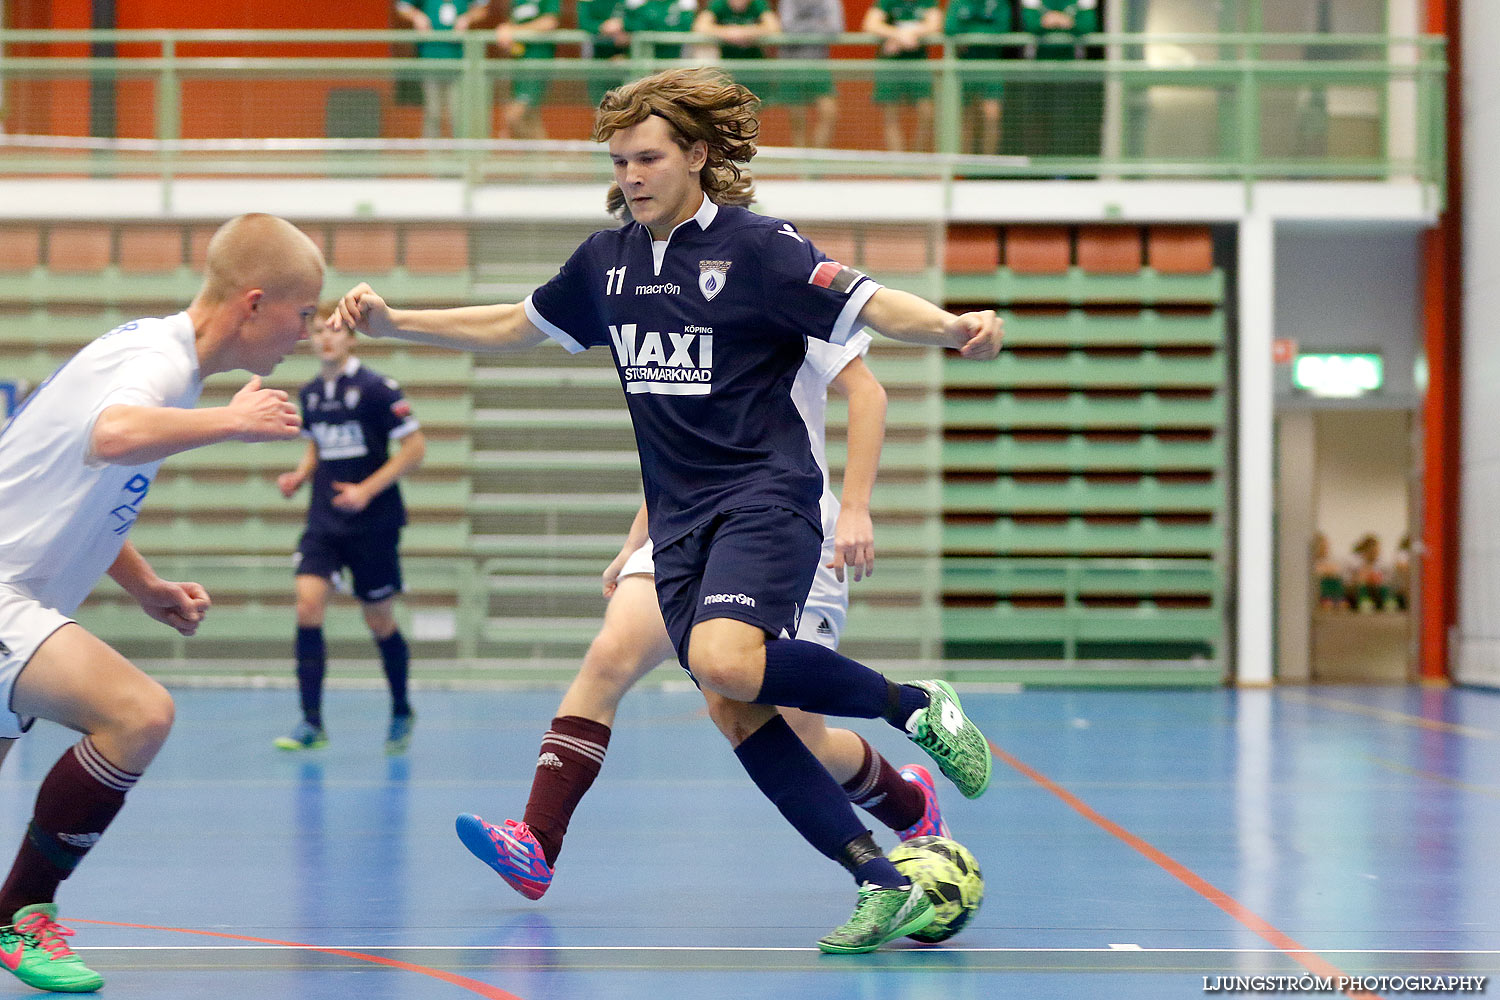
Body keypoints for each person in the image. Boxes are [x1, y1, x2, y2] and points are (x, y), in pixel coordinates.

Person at [335, 66, 1003, 955]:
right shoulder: (606, 265)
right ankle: (877, 880)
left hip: (765, 496)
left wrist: (956, 327)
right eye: (618, 161)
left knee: (727, 660)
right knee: (735, 708)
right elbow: (511, 323)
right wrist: (395, 322)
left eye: (647, 157)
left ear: (696, 154)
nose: (631, 176)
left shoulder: (762, 249)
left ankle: (916, 704)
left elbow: (871, 302)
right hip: (678, 518)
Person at [457, 310, 951, 900]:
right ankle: (537, 842)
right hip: (687, 528)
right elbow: (683, 449)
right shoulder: (672, 305)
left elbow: (867, 392)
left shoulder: (786, 284)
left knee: (798, 734)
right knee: (611, 654)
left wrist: (855, 507)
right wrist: (634, 542)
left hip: (781, 525)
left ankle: (910, 802)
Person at [0, 213, 322, 992]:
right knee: (138, 714)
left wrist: (146, 586)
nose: (307, 333)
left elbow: (84, 488)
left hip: (22, 599)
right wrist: (232, 423)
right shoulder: (154, 359)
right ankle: (22, 913)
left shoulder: (159, 361)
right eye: (302, 313)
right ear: (252, 305)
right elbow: (114, 435)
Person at [274, 305, 427, 755]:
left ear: (351, 339)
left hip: (373, 523)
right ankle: (311, 721)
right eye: (318, 331)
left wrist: (366, 490)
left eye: (334, 331)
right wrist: (301, 475)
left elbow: (414, 449)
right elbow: (317, 448)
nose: (325, 338)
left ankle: (401, 708)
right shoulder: (311, 394)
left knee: (378, 619)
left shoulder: (377, 389)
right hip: (324, 521)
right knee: (307, 606)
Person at [394, 0, 492, 139]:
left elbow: (482, 9)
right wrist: (417, 16)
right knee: (433, 112)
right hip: (430, 60)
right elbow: (402, 6)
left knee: (458, 113)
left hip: (459, 62)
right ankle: (433, 156)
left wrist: (466, 18)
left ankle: (461, 155)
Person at [862, 0, 942, 152]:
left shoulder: (928, 2)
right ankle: (900, 165)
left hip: (918, 63)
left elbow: (935, 24)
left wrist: (912, 33)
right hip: (890, 63)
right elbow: (870, 24)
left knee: (927, 112)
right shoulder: (886, 2)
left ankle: (916, 160)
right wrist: (898, 35)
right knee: (891, 117)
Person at [775, 0, 844, 148]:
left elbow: (836, 28)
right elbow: (787, 27)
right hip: (791, 63)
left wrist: (804, 28)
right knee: (797, 119)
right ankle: (803, 168)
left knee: (829, 112)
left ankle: (815, 164)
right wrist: (818, 25)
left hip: (818, 64)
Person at [945, 0, 1011, 154]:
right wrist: (983, 30)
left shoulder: (999, 4)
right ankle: (964, 167)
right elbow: (950, 28)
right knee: (966, 120)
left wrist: (969, 32)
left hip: (991, 66)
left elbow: (1002, 29)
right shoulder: (958, 3)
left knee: (991, 116)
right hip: (964, 66)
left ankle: (988, 166)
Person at [494, 0, 561, 139]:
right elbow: (512, 27)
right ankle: (539, 157)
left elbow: (550, 22)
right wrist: (506, 32)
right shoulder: (517, 2)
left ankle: (540, 155)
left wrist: (514, 31)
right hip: (519, 65)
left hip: (537, 63)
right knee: (531, 118)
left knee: (514, 115)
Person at [694, 0, 780, 92]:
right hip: (726, 68)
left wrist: (745, 33)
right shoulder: (719, 3)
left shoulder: (758, 3)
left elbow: (774, 27)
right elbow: (700, 26)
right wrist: (728, 33)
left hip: (755, 68)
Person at [599, 0, 699, 62]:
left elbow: (684, 27)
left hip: (673, 62)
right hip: (641, 61)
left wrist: (627, 25)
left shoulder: (684, 3)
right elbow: (635, 23)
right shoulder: (640, 3)